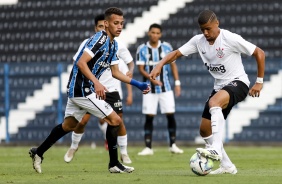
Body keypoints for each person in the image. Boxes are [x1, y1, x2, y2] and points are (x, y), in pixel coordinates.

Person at [29, 7, 150, 174]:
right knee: (115, 120)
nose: (120, 26)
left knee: (69, 125)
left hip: (82, 89)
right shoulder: (99, 39)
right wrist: (97, 83)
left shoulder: (113, 45)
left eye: (122, 23)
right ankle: (114, 163)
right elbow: (81, 62)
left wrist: (138, 84)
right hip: (82, 89)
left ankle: (38, 152)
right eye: (116, 23)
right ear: (106, 24)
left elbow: (115, 72)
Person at [149, 10, 265, 174]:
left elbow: (259, 53)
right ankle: (227, 166)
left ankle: (215, 149)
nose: (205, 33)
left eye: (208, 29)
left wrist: (259, 82)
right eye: (202, 29)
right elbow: (176, 53)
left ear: (217, 23)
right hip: (219, 86)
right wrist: (160, 64)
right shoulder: (199, 41)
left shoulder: (229, 38)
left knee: (214, 102)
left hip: (239, 82)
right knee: (204, 129)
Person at [64, 14, 134, 164]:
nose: (103, 29)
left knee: (117, 121)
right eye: (100, 27)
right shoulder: (87, 43)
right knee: (81, 122)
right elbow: (79, 62)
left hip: (112, 89)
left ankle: (123, 153)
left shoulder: (117, 44)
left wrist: (131, 74)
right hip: (91, 88)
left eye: (105, 26)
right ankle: (73, 147)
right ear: (96, 28)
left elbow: (128, 63)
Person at [136, 23, 184, 156]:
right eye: (153, 32)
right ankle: (148, 147)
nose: (155, 35)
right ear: (148, 33)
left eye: (157, 33)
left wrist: (178, 83)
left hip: (166, 87)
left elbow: (173, 66)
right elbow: (140, 69)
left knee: (170, 114)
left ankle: (173, 145)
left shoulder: (167, 47)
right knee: (149, 116)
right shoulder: (142, 49)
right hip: (149, 88)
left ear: (160, 34)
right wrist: (152, 79)